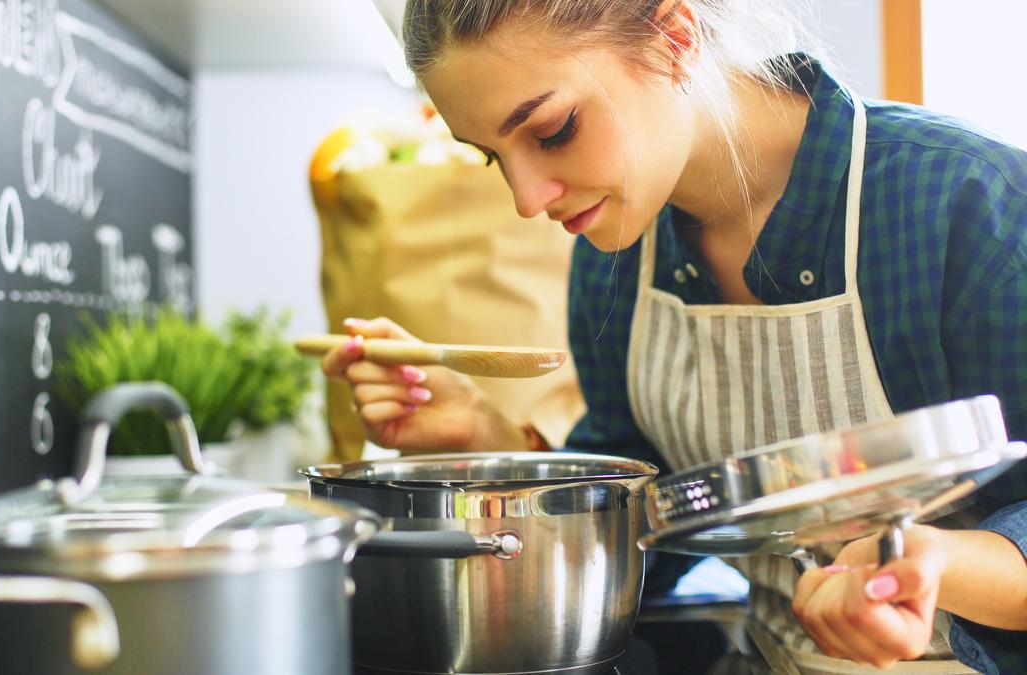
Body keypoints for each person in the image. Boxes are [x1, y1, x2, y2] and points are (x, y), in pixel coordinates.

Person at [317, 0, 1027, 672]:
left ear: (674, 38)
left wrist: (934, 563)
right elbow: (651, 537)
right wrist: (483, 435)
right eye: (492, 156)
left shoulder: (966, 201)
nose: (528, 199)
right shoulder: (617, 263)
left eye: (554, 129)